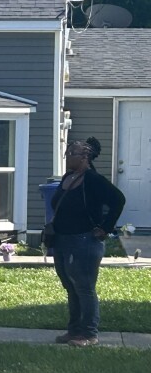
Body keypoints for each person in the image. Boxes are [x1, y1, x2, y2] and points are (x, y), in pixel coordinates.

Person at [50, 138, 125, 347]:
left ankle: (89, 334)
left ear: (84, 157)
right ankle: (74, 331)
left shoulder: (92, 180)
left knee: (84, 287)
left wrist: (105, 227)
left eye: (71, 153)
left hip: (85, 241)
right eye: (67, 153)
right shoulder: (69, 177)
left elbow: (118, 200)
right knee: (71, 287)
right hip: (63, 239)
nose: (67, 157)